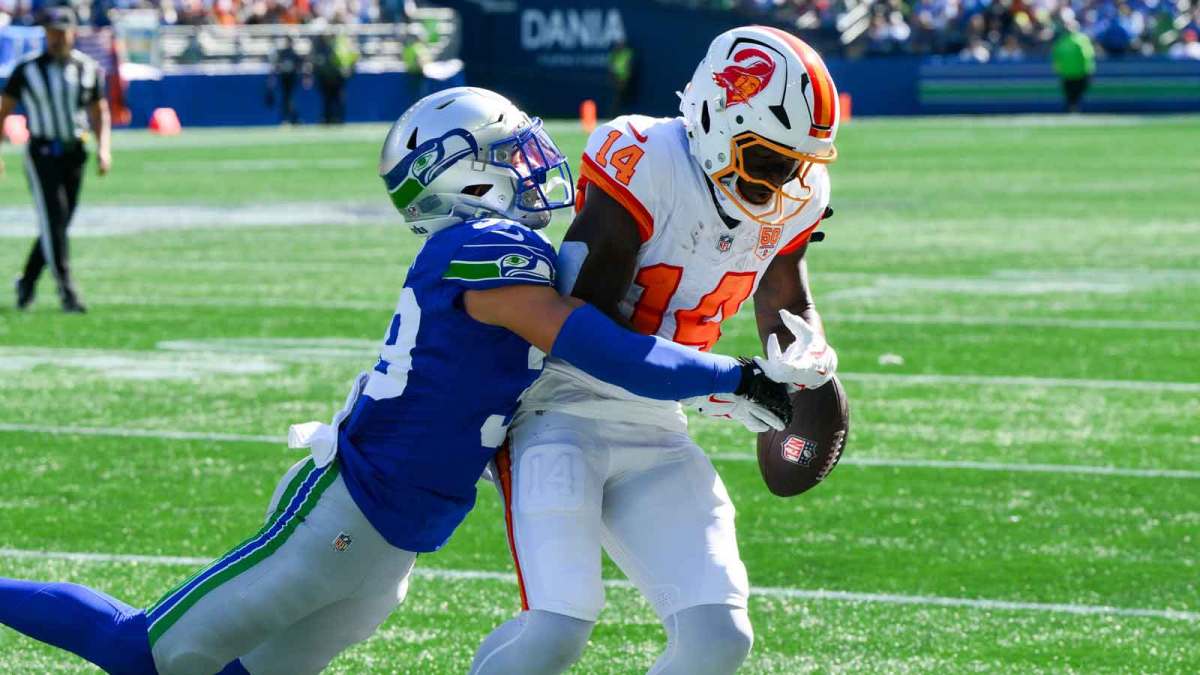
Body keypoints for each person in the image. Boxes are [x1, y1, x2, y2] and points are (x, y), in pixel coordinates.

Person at [0, 87, 795, 675]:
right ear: (464, 178)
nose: (534, 163)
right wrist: (728, 372)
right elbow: (596, 346)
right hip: (340, 517)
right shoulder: (486, 248)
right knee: (147, 655)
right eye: (511, 152)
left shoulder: (500, 250)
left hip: (391, 545)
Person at [470, 26, 841, 675]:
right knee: (556, 626)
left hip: (657, 427)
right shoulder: (646, 159)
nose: (785, 182)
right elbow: (579, 333)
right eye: (769, 159)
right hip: (559, 411)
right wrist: (717, 380)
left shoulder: (793, 194)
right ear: (713, 118)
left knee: (718, 636)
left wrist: (807, 360)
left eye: (798, 164)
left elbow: (785, 294)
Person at [0, 6, 110, 313]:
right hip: (43, 153)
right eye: (51, 33)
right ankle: (67, 291)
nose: (56, 38)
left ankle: (27, 281)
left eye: (62, 32)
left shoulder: (87, 68)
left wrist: (104, 148)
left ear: (74, 33)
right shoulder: (27, 70)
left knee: (59, 223)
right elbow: (4, 111)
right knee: (54, 218)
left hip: (76, 152)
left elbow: (99, 110)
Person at [1052, 15, 1096, 113]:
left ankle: (1075, 110)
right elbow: (1056, 56)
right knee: (1070, 96)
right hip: (1068, 74)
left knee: (1077, 95)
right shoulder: (1062, 40)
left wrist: (1089, 70)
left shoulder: (1082, 39)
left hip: (1080, 73)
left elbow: (1088, 56)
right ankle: (1071, 111)